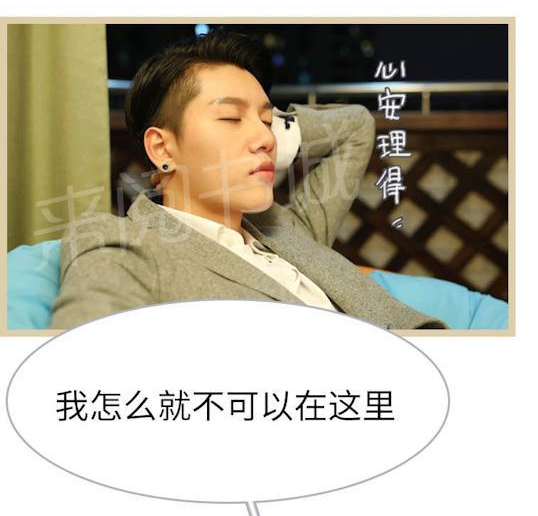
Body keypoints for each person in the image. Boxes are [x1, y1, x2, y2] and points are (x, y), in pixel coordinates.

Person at [51, 29, 450, 331]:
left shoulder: (287, 230)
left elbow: (356, 127)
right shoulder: (120, 241)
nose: (266, 138)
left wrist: (271, 131)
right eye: (230, 117)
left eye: (267, 120)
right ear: (162, 148)